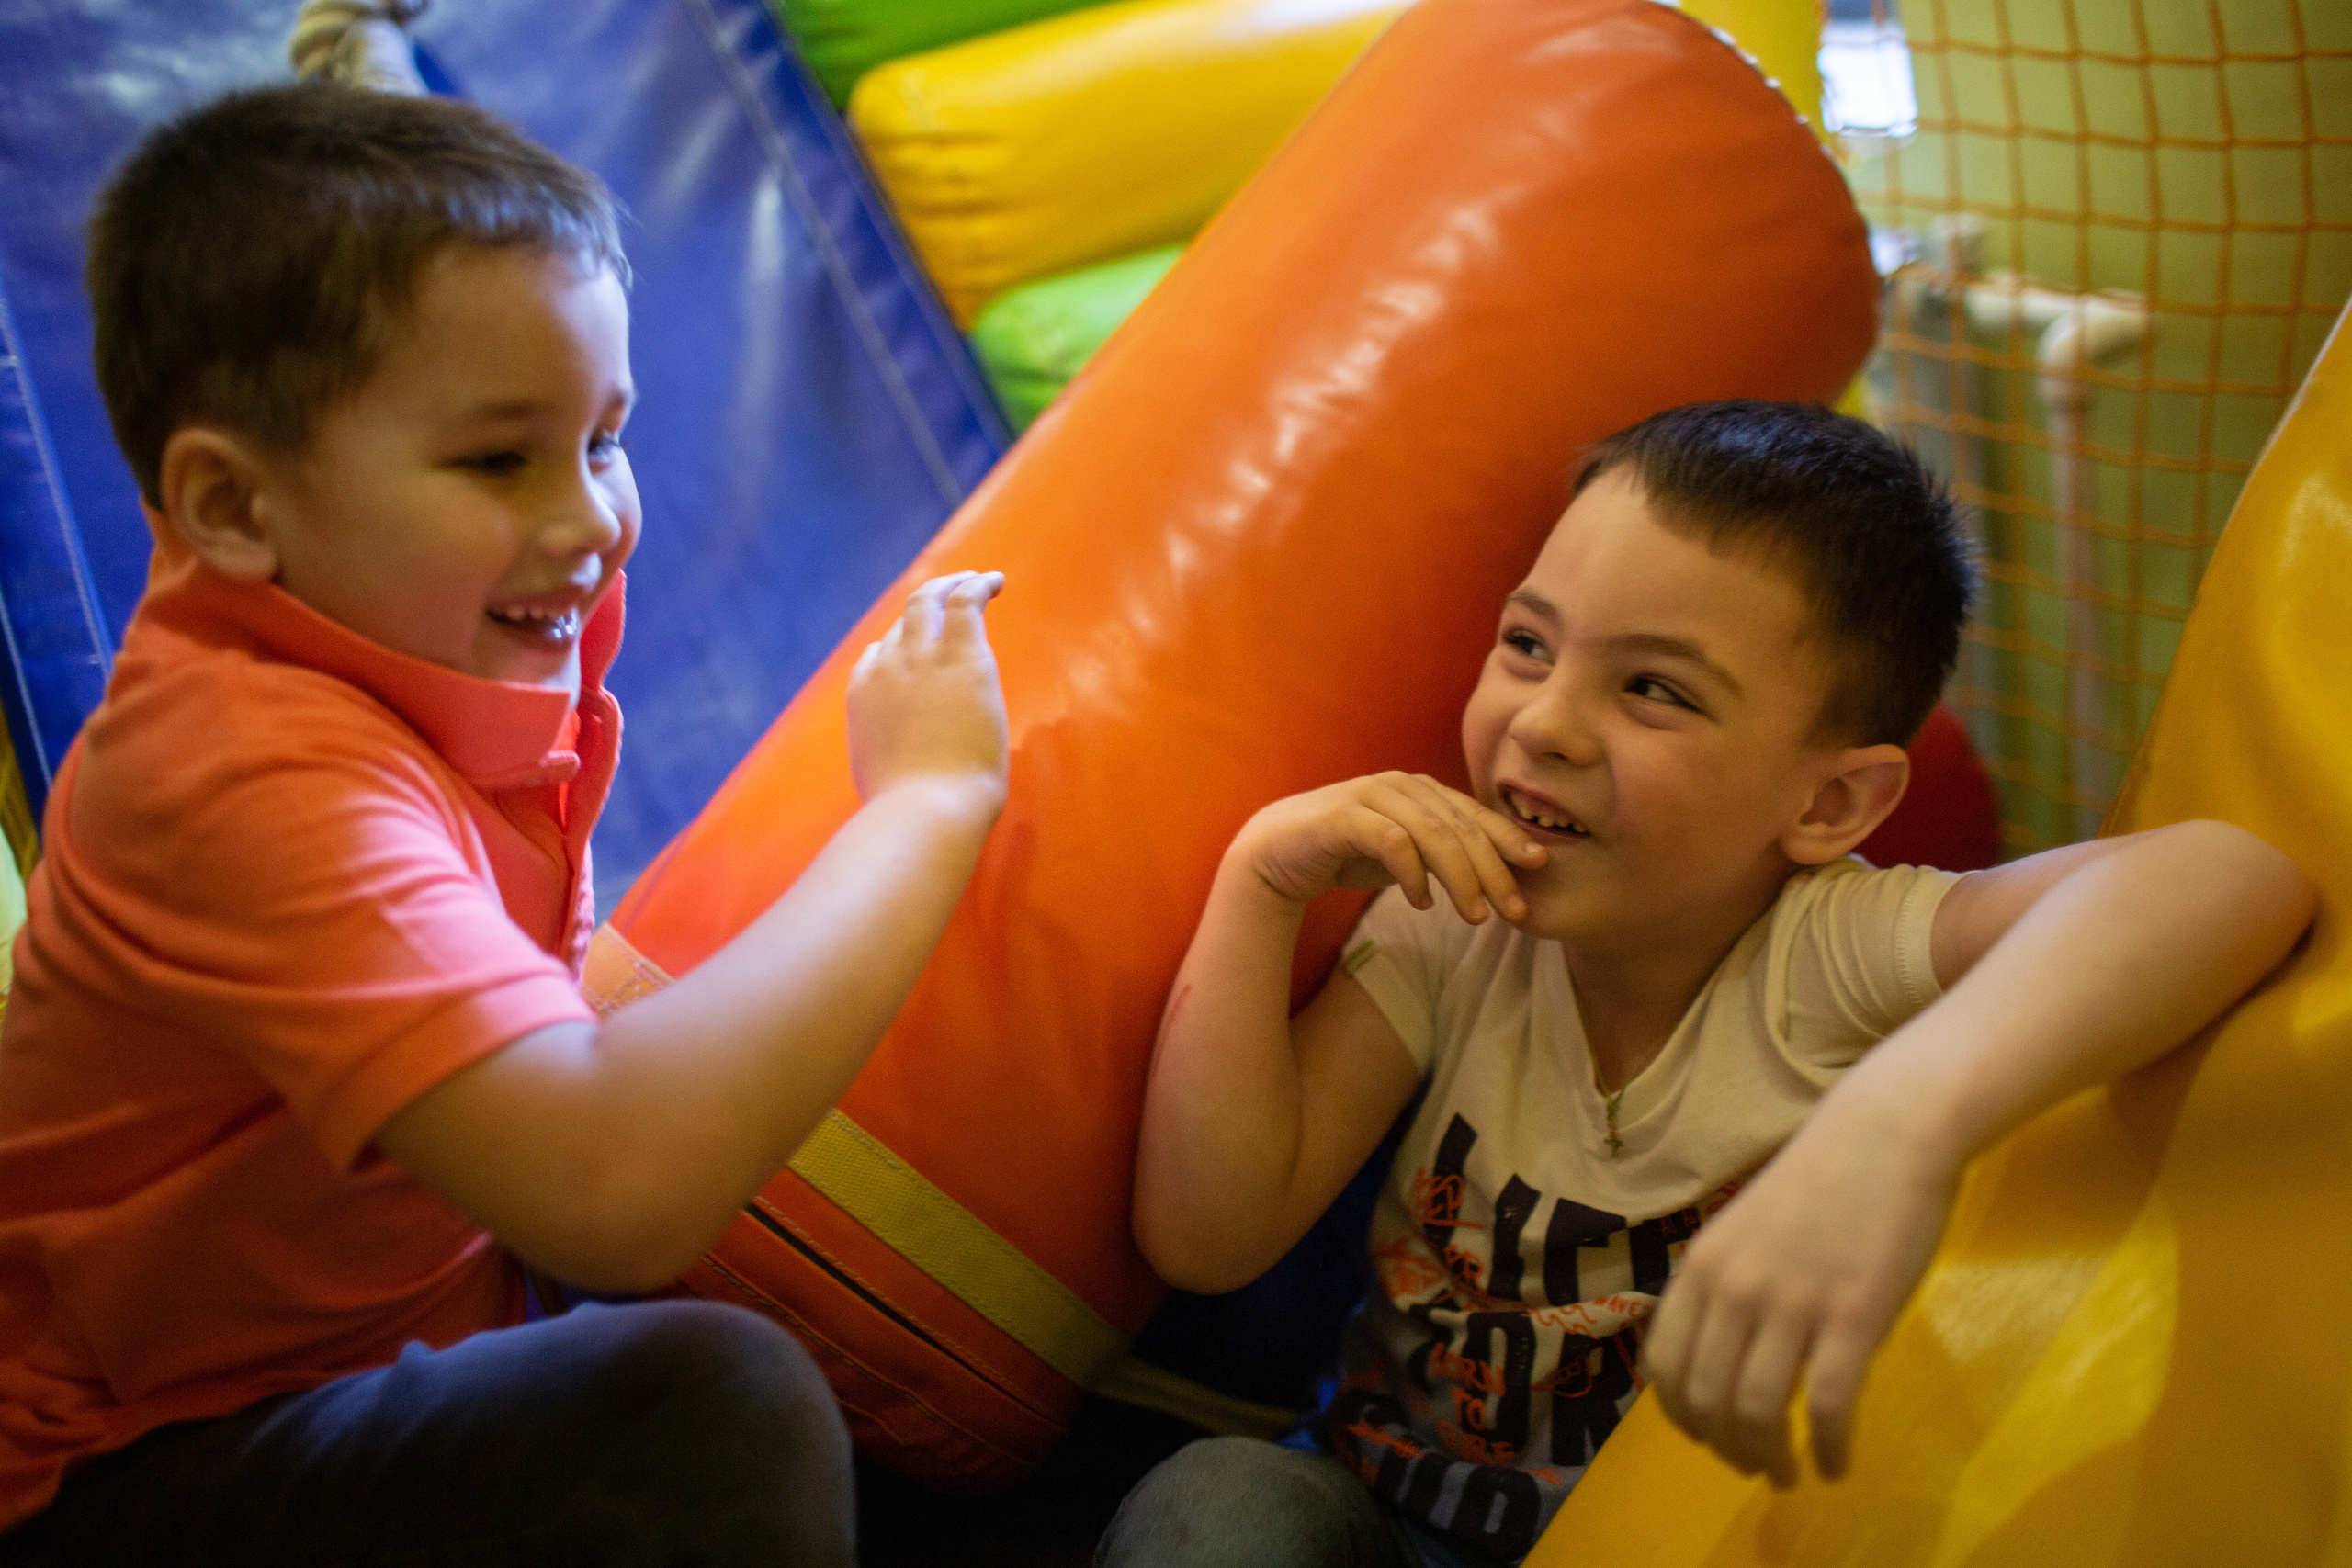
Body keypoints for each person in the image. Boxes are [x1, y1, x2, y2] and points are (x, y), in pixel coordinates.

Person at [0, 84, 1011, 1565]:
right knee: (714, 1408)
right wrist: (931, 800)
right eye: (501, 459)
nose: (594, 516)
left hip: (399, 1354)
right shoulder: (237, 774)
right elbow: (614, 1191)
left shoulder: (450, 645)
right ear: (230, 505)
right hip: (131, 1474)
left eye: (606, 439)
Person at [1100, 400, 2313, 1568]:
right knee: (1220, 1501)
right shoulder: (1453, 920)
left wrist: (1899, 1127)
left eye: (1654, 691)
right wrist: (1260, 882)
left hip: (1683, 1541)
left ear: (1827, 804)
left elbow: (2231, 875)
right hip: (1382, 1514)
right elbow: (1212, 1237)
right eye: (1528, 643)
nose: (1545, 725)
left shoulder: (1828, 958)